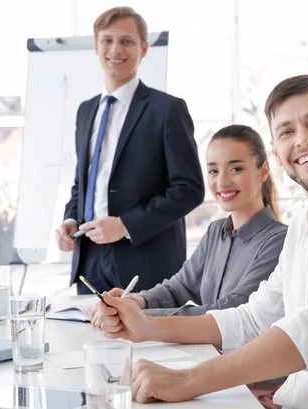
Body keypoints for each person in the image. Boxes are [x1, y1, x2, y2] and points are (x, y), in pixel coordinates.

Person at [93, 75, 308, 409]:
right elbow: (251, 320)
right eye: (287, 131)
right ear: (276, 154)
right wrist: (147, 327)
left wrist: (187, 381)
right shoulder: (303, 232)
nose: (303, 139)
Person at [55, 7, 204, 294]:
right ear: (96, 47)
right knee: (89, 337)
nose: (115, 49)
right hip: (89, 259)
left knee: (148, 340)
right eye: (107, 40)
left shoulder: (167, 110)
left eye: (126, 41)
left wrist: (125, 225)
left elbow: (190, 189)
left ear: (144, 48)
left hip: (146, 260)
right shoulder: (86, 111)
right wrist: (69, 219)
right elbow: (83, 183)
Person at [90, 124, 287, 318]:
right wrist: (136, 301)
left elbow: (231, 310)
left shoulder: (279, 240)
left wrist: (142, 317)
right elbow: (179, 288)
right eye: (213, 171)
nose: (222, 182)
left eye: (236, 169)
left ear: (263, 171)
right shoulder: (215, 231)